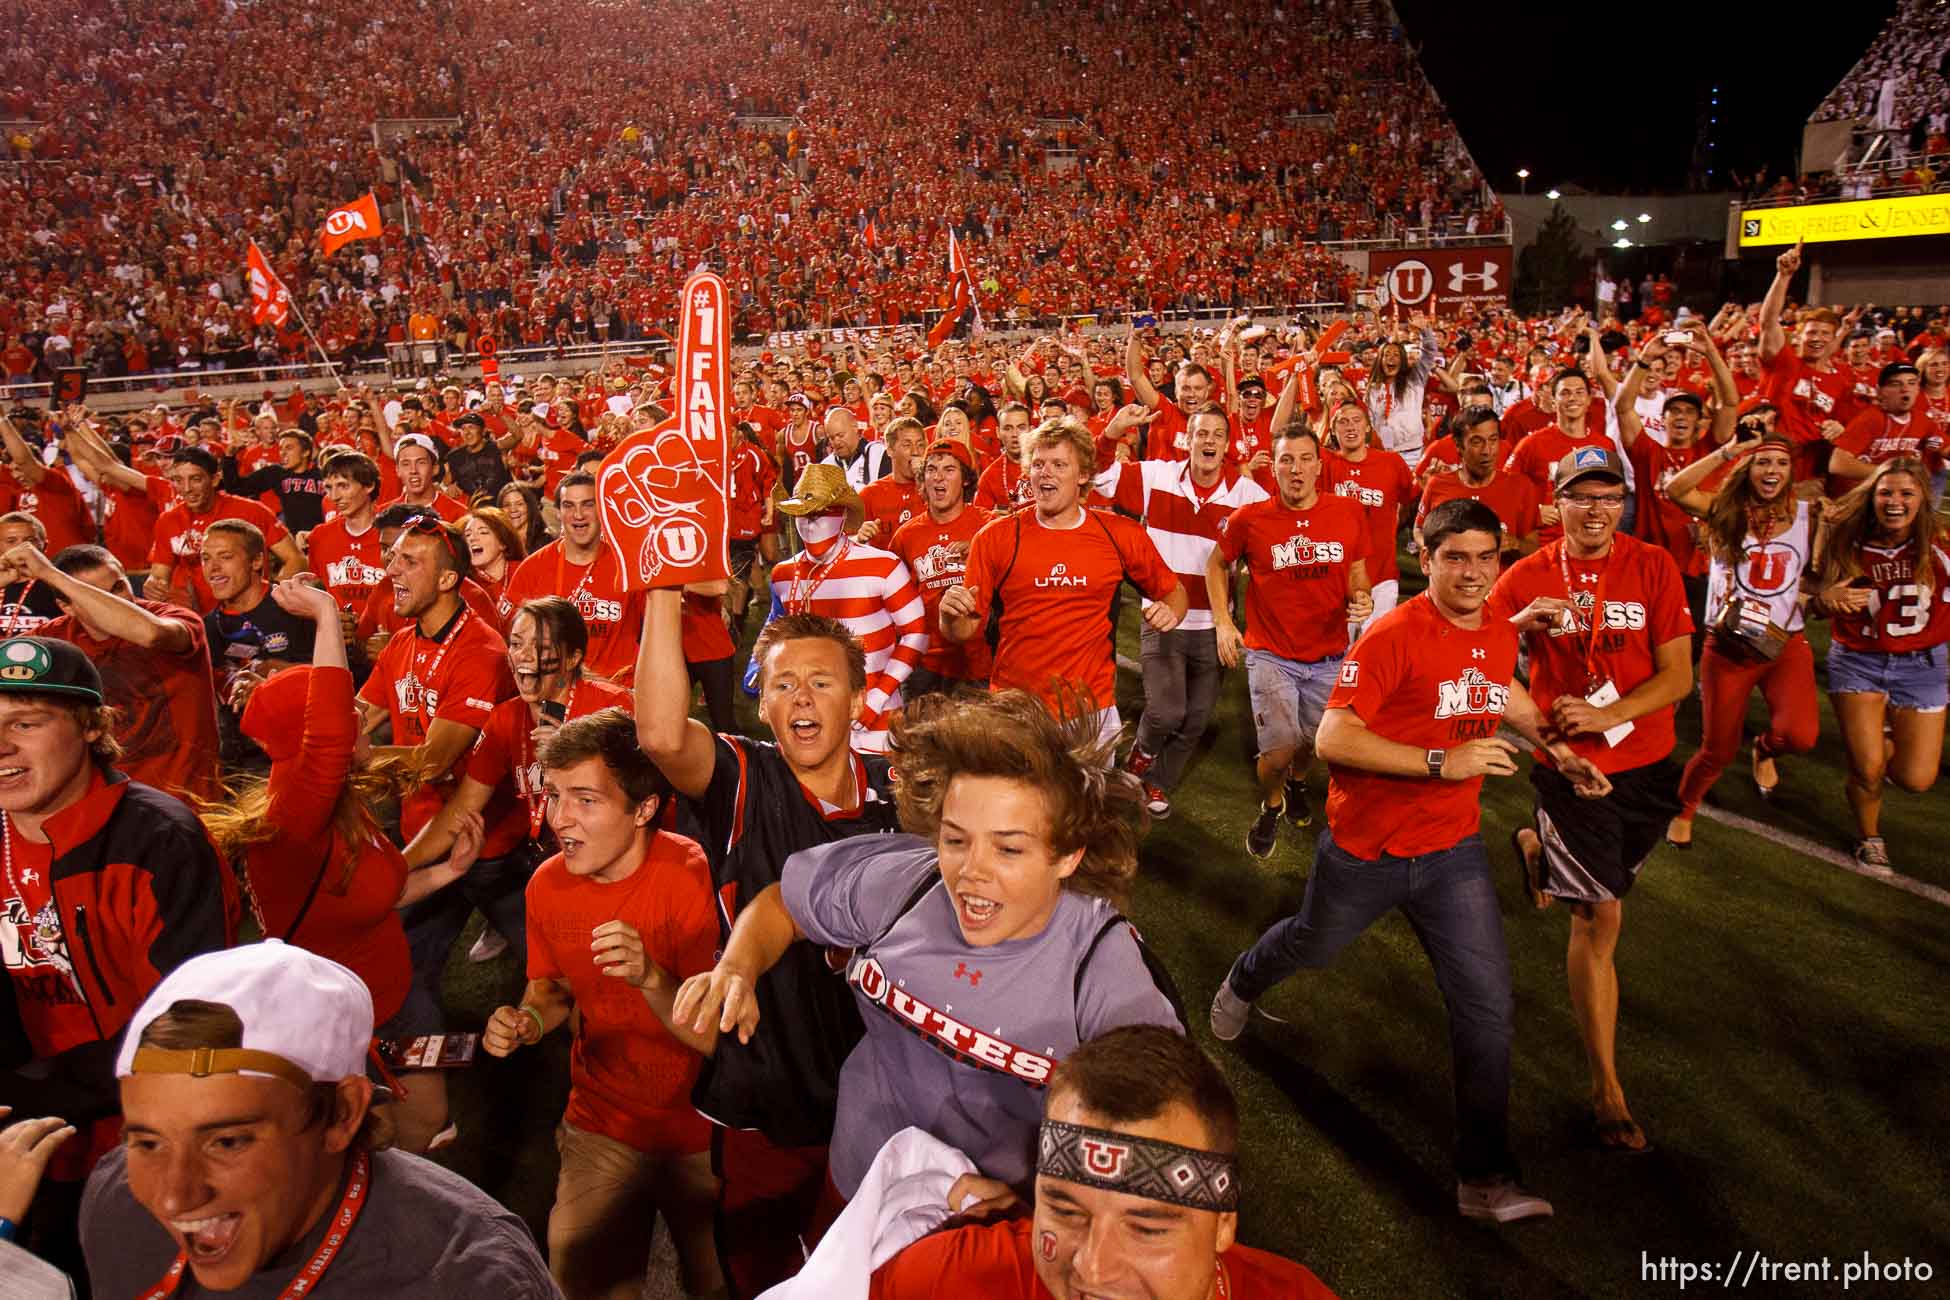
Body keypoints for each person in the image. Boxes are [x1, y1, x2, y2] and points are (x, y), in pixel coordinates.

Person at [1210, 499, 1613, 1223]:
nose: (1472, 571)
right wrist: (1442, 760)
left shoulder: (1494, 626)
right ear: (1424, 559)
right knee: (1312, 941)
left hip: (1452, 854)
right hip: (1367, 852)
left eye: (1485, 558)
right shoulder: (1394, 634)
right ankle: (1244, 978)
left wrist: (1557, 750)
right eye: (1455, 557)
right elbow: (1333, 736)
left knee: (1487, 1009)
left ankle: (1483, 1179)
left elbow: (1501, 690)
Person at [675, 687, 1182, 1204]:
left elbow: (1165, 1145)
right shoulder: (907, 883)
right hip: (856, 1188)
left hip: (987, 1240)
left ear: (1068, 855)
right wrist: (737, 966)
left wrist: (1040, 1206)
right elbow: (786, 904)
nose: (972, 872)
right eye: (956, 839)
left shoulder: (1101, 967)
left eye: (1008, 848)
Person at [635, 594, 899, 1297]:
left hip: (882, 1094)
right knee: (764, 1266)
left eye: (821, 681)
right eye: (782, 684)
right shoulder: (743, 776)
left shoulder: (905, 796)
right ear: (761, 706)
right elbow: (662, 735)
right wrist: (663, 589)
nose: (802, 698)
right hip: (769, 1089)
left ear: (858, 696)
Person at [79, 942, 560, 1297]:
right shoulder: (117, 1200)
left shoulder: (467, 1278)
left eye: (227, 1142)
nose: (173, 1195)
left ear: (343, 1113)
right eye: (148, 1143)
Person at [202, 578, 474, 1153]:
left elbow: (372, 893)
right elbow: (326, 732)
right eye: (344, 710)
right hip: (343, 1017)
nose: (358, 716)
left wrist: (447, 873)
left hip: (395, 995)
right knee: (363, 1140)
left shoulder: (337, 805)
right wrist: (327, 615)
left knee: (425, 1121)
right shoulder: (293, 814)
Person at [0, 636, 236, 1278]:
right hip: (31, 1145)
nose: (2, 747)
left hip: (158, 1141)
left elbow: (190, 1031)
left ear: (92, 727)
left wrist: (32, 1096)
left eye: (26, 722)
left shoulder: (159, 840)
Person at [1488, 448, 1694, 1155]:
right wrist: (1518, 630)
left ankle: (1537, 846)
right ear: (1559, 503)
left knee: (1611, 885)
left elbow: (1678, 677)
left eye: (1610, 497)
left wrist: (1608, 716)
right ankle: (1607, 1087)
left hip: (1645, 765)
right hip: (1568, 767)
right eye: (1582, 497)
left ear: (1624, 504)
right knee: (1600, 914)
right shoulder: (1529, 574)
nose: (1597, 509)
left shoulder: (1653, 566)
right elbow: (1470, 645)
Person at [482, 709, 725, 1300]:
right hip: (602, 1119)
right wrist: (528, 1020)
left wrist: (649, 976)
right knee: (574, 1271)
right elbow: (554, 990)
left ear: (643, 809)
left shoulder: (696, 878)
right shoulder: (546, 884)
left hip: (703, 1128)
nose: (558, 819)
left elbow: (716, 1035)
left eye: (585, 800)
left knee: (719, 1281)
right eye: (555, 794)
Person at [867, 1026, 1340, 1300]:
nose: (1092, 1270)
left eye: (1148, 1228)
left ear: (1223, 1224)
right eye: (1067, 1211)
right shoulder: (949, 1280)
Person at [405, 596, 633, 975]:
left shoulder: (612, 711)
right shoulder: (505, 719)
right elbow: (462, 808)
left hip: (616, 865)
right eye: (515, 644)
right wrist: (400, 865)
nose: (523, 657)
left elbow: (639, 806)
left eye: (540, 648)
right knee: (548, 971)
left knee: (596, 974)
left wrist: (569, 763)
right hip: (545, 860)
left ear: (573, 657)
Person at [939, 419, 1185, 736]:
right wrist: (949, 616)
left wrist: (1171, 611)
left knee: (1086, 789)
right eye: (1038, 464)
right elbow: (963, 629)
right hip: (1015, 710)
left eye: (1058, 464)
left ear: (1083, 474)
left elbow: (1175, 592)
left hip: (1090, 710)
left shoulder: (1120, 534)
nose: (1046, 472)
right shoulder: (995, 537)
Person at [1096, 402, 1268, 818]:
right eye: (1200, 433)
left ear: (1228, 445)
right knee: (1165, 711)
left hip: (1213, 625)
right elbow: (1100, 478)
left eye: (1216, 435)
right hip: (1165, 617)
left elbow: (1275, 545)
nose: (1208, 441)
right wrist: (1109, 434)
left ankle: (1158, 783)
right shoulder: (1157, 475)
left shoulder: (1249, 497)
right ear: (1187, 439)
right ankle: (1141, 754)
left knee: (1195, 719)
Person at [1207, 427, 1372, 857]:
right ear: (1273, 467)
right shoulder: (1250, 519)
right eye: (1286, 460)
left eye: (1304, 459)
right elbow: (1216, 563)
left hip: (1330, 655)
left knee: (1312, 744)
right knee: (1277, 754)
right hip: (1271, 655)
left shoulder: (1349, 513)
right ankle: (1273, 802)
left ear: (1319, 466)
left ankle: (1298, 783)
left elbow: (1357, 572)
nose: (1295, 469)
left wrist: (1362, 597)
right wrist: (1224, 622)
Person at [1662, 431, 1819, 847]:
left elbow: (1821, 574)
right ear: (1748, 468)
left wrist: (1825, 594)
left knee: (1800, 735)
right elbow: (1676, 489)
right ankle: (1685, 807)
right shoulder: (1724, 511)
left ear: (1791, 471)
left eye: (1781, 463)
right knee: (1717, 750)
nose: (1772, 471)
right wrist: (1729, 450)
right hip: (1729, 644)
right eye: (1762, 462)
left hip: (1785, 641)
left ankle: (1765, 749)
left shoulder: (1807, 515)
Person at [1810, 458, 1949, 868]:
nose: (1894, 501)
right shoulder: (1845, 540)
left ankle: (1884, 731)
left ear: (1923, 498)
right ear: (1871, 495)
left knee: (1916, 779)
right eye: (1886, 492)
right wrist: (1823, 600)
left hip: (1923, 664)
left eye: (1906, 493)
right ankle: (1869, 836)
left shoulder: (1939, 544)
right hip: (1858, 662)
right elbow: (1811, 595)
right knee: (1868, 769)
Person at [357, 516, 516, 864]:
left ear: (447, 579)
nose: (391, 571)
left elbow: (433, 761)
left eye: (409, 562)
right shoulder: (401, 642)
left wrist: (359, 757)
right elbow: (356, 717)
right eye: (394, 558)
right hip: (418, 825)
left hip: (484, 844)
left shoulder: (482, 652)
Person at [18, 542, 223, 806]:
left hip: (187, 803)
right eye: (92, 594)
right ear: (66, 606)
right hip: (102, 806)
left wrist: (51, 575)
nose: (116, 601)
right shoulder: (51, 639)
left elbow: (152, 634)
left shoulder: (173, 618)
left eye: (118, 587)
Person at [768, 464, 928, 753]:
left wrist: (877, 698)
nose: (810, 523)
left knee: (877, 795)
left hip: (876, 724)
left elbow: (916, 633)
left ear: (841, 514)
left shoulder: (883, 565)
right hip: (809, 720)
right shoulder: (783, 575)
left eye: (819, 512)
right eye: (803, 514)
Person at [503, 472, 644, 682]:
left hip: (618, 694)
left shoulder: (629, 565)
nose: (578, 514)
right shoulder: (532, 569)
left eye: (588, 504)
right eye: (569, 506)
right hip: (556, 692)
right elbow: (513, 644)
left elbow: (656, 635)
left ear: (602, 510)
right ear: (558, 513)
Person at [887, 439, 992, 697]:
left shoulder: (988, 527)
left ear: (965, 479)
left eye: (949, 470)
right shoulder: (906, 536)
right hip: (925, 664)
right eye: (931, 470)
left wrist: (979, 551)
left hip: (979, 663)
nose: (938, 478)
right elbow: (891, 599)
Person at [147, 447, 301, 611]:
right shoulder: (168, 520)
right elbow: (159, 575)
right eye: (178, 480)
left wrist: (274, 598)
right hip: (199, 617)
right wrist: (154, 586)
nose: (186, 488)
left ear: (215, 479)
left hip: (250, 615)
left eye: (195, 479)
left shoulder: (251, 511)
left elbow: (295, 559)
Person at [1319, 400, 1415, 632]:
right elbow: (1278, 433)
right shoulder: (1325, 464)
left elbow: (1409, 499)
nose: (1350, 427)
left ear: (1368, 427)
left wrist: (1393, 527)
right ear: (1332, 430)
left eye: (1356, 420)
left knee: (1375, 652)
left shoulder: (1391, 463)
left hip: (1382, 576)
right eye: (1342, 422)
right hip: (1338, 578)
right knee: (1337, 657)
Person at [1417, 409, 1539, 560]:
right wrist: (1439, 554)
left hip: (1502, 581)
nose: (1487, 450)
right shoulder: (1438, 484)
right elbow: (1419, 530)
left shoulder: (1521, 486)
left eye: (1493, 440)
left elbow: (1533, 548)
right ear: (1458, 445)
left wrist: (1515, 544)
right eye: (1477, 442)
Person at [309, 450, 389, 631]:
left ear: (368, 485)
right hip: (337, 641)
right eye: (329, 487)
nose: (334, 496)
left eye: (343, 486)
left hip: (387, 641)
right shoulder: (319, 536)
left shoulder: (394, 535)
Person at [854, 417, 927, 544]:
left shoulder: (936, 490)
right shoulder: (870, 495)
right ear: (890, 450)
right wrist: (859, 539)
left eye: (920, 445)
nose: (915, 452)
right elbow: (847, 544)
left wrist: (924, 481)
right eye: (907, 445)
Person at [0, 514, 64, 636]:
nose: (20, 547)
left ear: (44, 546)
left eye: (30, 541)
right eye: (11, 541)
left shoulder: (60, 585)